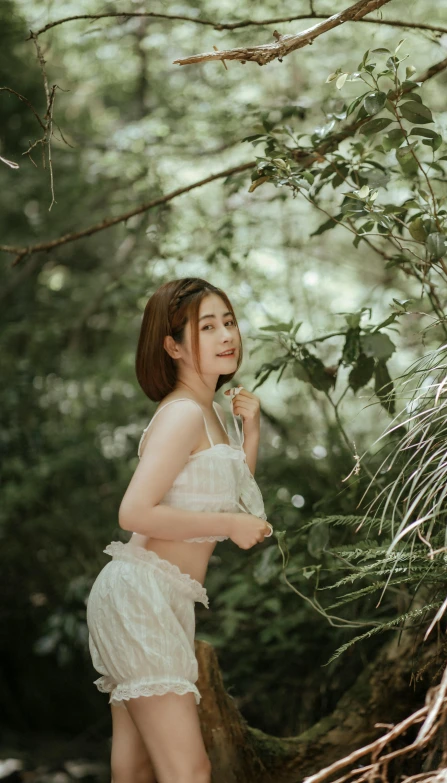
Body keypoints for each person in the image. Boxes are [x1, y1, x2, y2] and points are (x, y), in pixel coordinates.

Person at [86, 278, 273, 783]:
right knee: (189, 771)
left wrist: (250, 432)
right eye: (205, 327)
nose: (225, 335)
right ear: (171, 346)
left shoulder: (212, 413)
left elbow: (234, 499)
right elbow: (134, 513)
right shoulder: (183, 414)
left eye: (228, 322)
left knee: (137, 767)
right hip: (139, 595)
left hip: (165, 598)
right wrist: (230, 524)